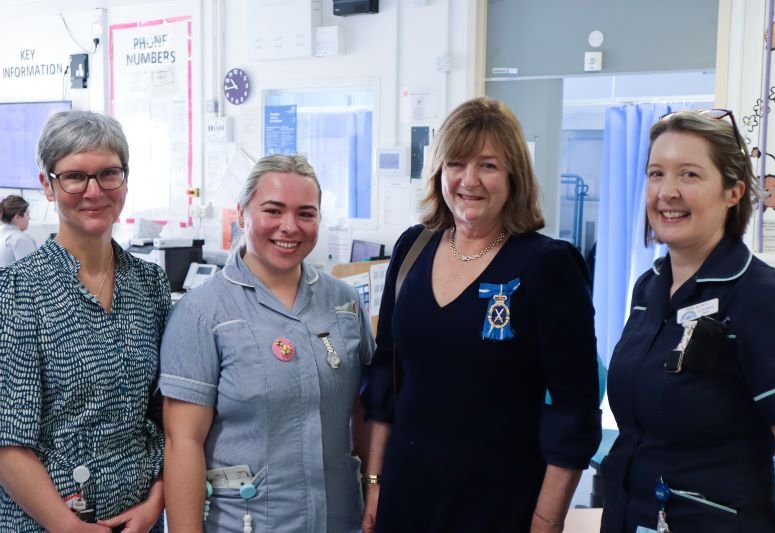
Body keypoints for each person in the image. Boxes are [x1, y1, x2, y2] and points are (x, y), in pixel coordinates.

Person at [360, 97, 602, 533]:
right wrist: (375, 483)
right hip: (405, 496)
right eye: (456, 163)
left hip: (498, 504)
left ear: (514, 176)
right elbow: (386, 373)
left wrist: (547, 521)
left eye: (488, 165)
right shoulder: (413, 248)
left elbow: (575, 410)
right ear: (439, 171)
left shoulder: (547, 265)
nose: (469, 180)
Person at [600, 109, 775, 532]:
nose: (666, 192)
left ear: (733, 192)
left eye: (689, 175)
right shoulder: (649, 288)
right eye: (656, 174)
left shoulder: (761, 298)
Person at [160, 154, 375, 532]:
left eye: (306, 213)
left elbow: (365, 408)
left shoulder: (343, 302)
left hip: (339, 518)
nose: (289, 226)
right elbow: (183, 443)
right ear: (242, 214)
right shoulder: (202, 312)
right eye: (273, 210)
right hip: (248, 520)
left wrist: (373, 484)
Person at [0, 110, 171, 531]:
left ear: (125, 180)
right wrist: (69, 526)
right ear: (48, 185)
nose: (94, 191)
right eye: (75, 177)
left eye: (109, 173)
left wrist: (156, 503)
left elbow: (167, 416)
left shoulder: (150, 284)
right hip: (44, 522)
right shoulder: (18, 291)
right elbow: (8, 443)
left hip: (140, 519)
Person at [0, 194, 37, 266]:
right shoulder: (20, 239)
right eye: (27, 214)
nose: (29, 218)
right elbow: (33, 269)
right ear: (17, 217)